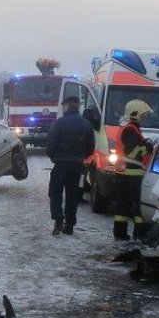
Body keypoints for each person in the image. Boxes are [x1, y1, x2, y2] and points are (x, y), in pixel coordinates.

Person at [45, 96, 95, 235]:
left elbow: (50, 144)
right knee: (72, 195)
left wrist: (52, 155)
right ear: (77, 106)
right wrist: (81, 156)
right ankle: (70, 226)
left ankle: (59, 220)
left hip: (61, 164)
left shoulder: (59, 123)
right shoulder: (86, 124)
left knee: (55, 192)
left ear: (66, 106)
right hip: (78, 165)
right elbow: (91, 147)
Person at [113, 100, 154, 241]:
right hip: (132, 175)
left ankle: (120, 234)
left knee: (122, 207)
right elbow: (132, 153)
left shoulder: (130, 128)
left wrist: (144, 143)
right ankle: (139, 234)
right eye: (143, 116)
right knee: (138, 207)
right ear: (135, 115)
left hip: (125, 173)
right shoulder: (130, 129)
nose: (144, 119)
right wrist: (147, 148)